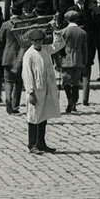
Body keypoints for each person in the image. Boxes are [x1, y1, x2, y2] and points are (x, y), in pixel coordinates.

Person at [21, 24, 63, 153]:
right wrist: (30, 92)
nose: (38, 43)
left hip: (47, 87)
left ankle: (41, 143)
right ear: (32, 42)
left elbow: (58, 45)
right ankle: (32, 144)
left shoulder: (46, 49)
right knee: (33, 116)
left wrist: (57, 32)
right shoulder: (29, 55)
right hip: (36, 89)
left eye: (40, 41)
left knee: (43, 115)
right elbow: (27, 75)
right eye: (36, 41)